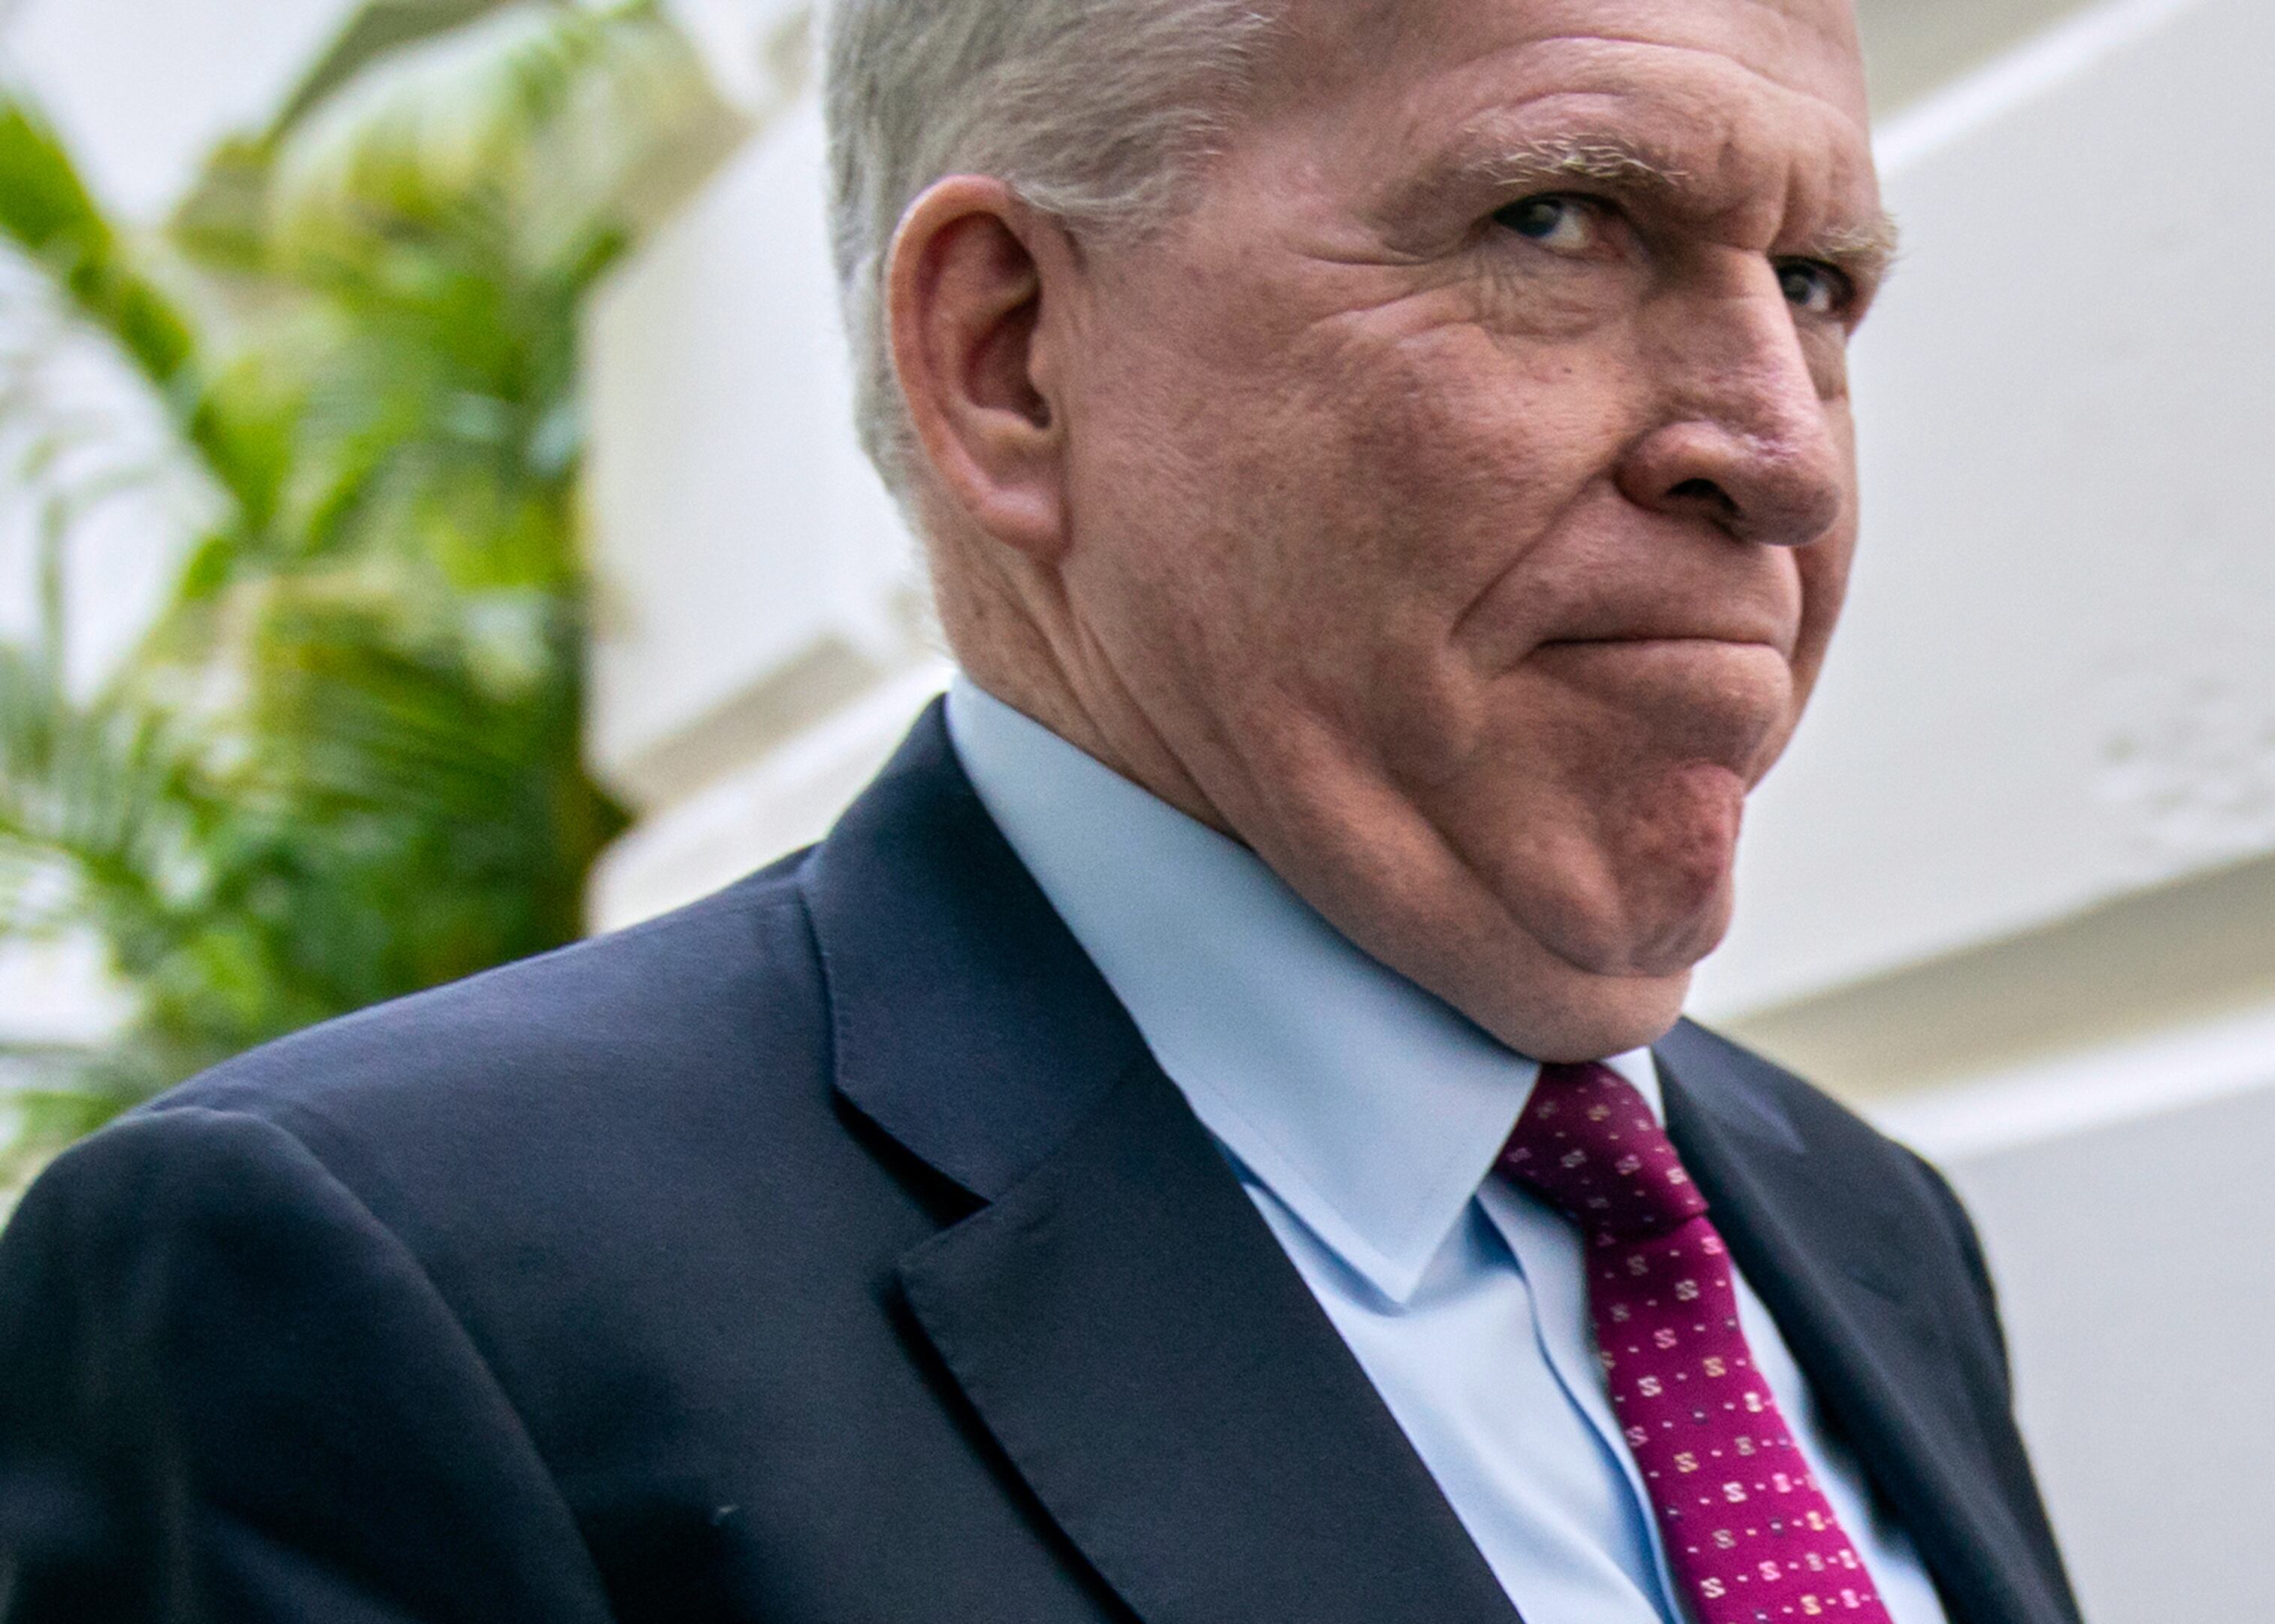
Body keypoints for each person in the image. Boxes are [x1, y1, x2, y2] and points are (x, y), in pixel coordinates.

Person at [0, 1, 2083, 1619]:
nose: (1783, 452)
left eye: (1820, 282)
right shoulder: (388, 1285)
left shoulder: (1854, 1224)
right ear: (1005, 357)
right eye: (1558, 223)